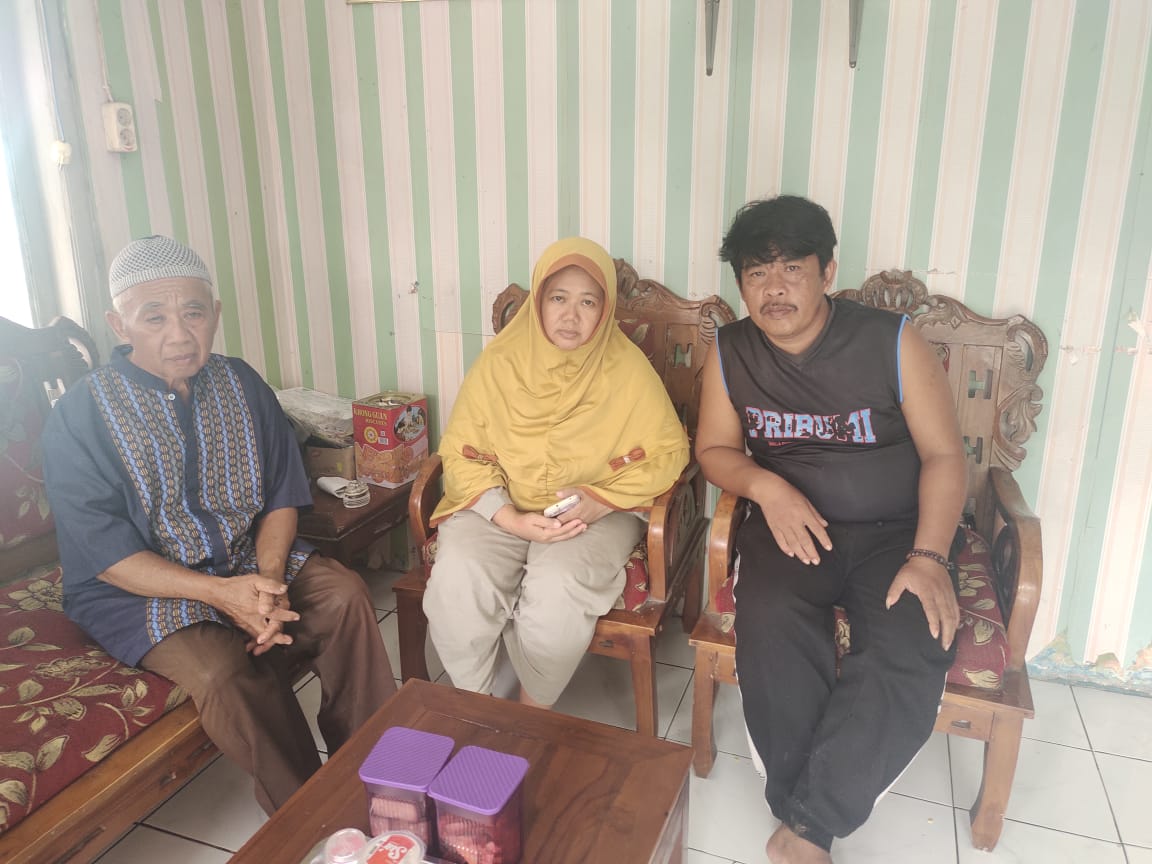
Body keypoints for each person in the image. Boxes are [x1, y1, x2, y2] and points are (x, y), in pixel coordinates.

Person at [41, 235, 396, 815]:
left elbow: (282, 493)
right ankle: (310, 815)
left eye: (194, 313)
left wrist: (269, 581)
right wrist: (224, 596)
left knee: (345, 596)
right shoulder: (80, 416)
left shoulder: (241, 382)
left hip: (246, 557)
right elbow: (106, 555)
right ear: (119, 324)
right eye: (154, 317)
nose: (179, 335)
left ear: (216, 314)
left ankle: (374, 775)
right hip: (138, 588)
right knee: (222, 669)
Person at [695, 197, 966, 863]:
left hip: (896, 533)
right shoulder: (731, 351)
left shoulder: (891, 341)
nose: (774, 288)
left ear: (828, 272)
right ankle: (810, 823)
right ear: (741, 285)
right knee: (772, 625)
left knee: (910, 639)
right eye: (756, 273)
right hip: (792, 527)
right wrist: (768, 487)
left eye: (792, 268)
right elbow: (715, 451)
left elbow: (944, 456)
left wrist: (929, 555)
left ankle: (807, 826)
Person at [423, 237, 689, 710]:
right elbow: (462, 452)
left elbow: (668, 452)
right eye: (558, 298)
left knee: (558, 589)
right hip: (501, 504)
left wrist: (600, 500)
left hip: (593, 512)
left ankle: (531, 714)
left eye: (588, 302)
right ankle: (477, 707)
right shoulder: (499, 362)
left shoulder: (627, 369)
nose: (571, 316)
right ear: (538, 302)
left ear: (605, 310)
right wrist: (507, 517)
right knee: (458, 580)